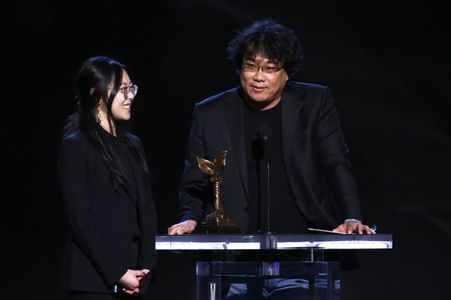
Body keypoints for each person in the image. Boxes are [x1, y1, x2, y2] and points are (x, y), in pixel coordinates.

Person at [168, 18, 374, 298]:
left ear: (287, 73)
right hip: (234, 264)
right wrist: (189, 218)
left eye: (269, 68)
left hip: (302, 261)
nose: (258, 76)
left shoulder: (314, 102)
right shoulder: (210, 113)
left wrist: (351, 216)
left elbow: (336, 162)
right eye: (250, 66)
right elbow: (195, 181)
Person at [58, 56, 157, 300]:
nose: (130, 96)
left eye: (131, 89)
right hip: (93, 283)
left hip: (134, 281)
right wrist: (118, 272)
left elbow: (146, 209)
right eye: (123, 89)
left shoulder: (133, 145)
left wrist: (147, 268)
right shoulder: (77, 146)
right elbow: (81, 220)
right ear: (95, 93)